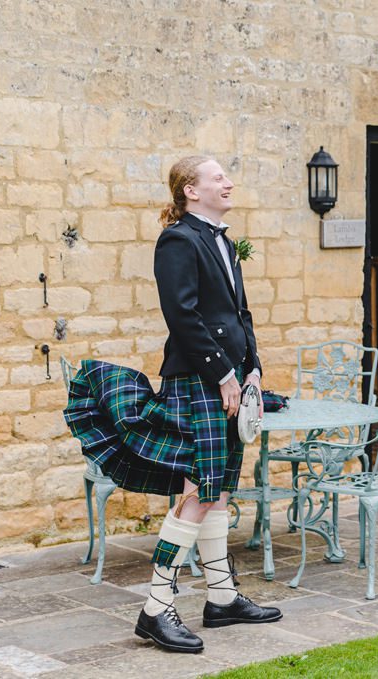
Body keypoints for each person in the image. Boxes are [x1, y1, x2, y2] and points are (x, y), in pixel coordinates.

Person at [124, 155, 283, 652]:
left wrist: (253, 366)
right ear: (191, 190)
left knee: (217, 491)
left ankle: (222, 597)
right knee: (198, 492)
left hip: (230, 382)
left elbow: (240, 311)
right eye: (218, 178)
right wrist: (223, 373)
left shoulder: (223, 241)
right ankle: (155, 609)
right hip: (198, 381)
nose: (228, 183)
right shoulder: (178, 240)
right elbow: (183, 315)